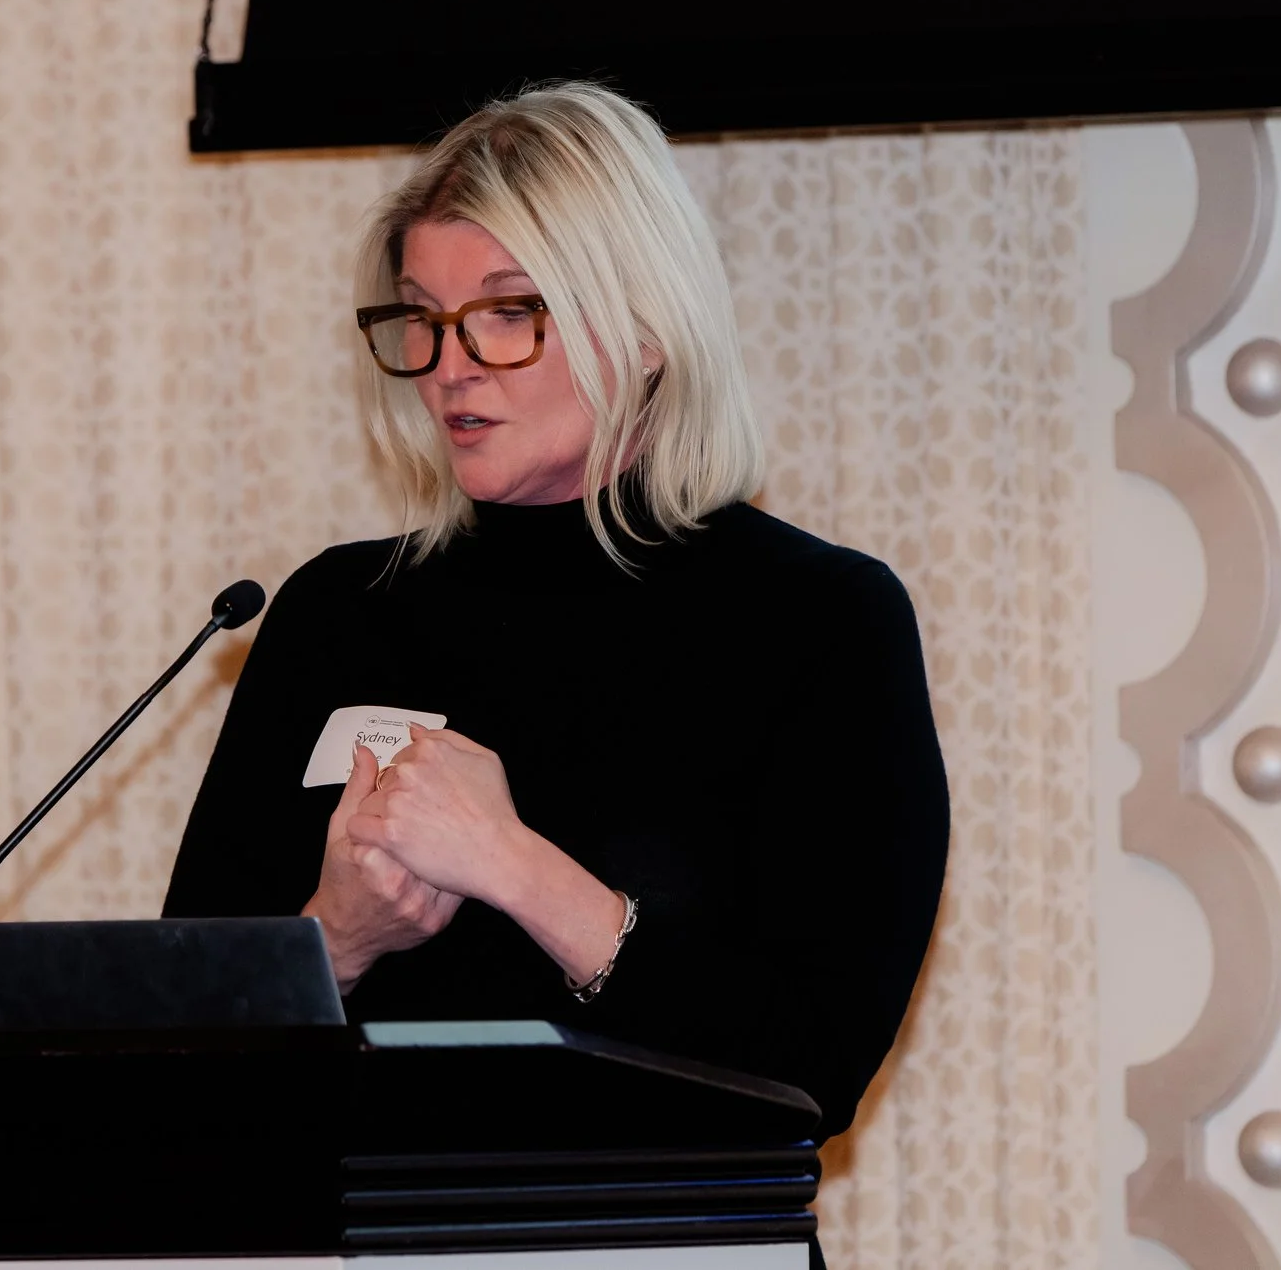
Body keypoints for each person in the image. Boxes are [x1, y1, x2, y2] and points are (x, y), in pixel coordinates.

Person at [162, 83, 947, 1139]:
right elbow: (171, 1053)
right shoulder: (335, 612)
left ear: (645, 329)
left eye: (506, 312)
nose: (448, 368)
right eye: (424, 319)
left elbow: (811, 1067)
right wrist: (337, 938)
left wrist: (513, 864)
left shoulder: (817, 621)